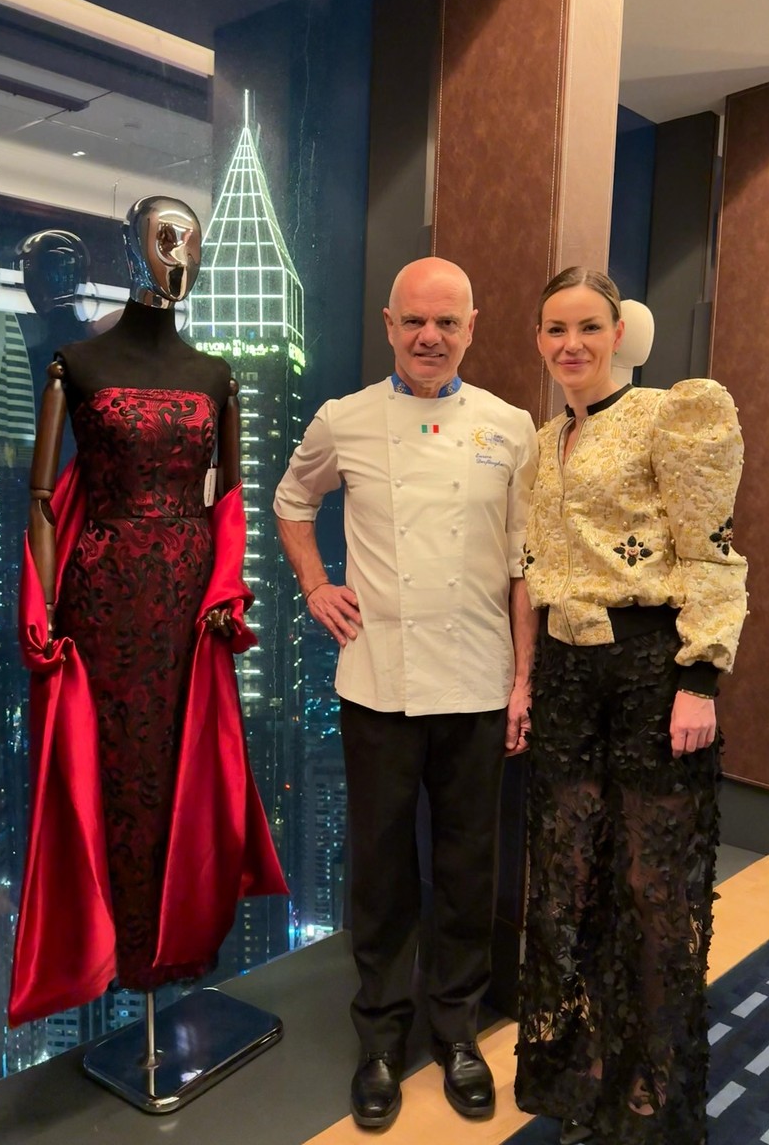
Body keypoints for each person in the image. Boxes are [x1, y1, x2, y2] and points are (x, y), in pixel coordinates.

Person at [274, 256, 538, 1128]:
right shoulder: (344, 419)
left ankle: (457, 1030)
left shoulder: (509, 426)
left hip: (476, 682)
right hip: (377, 682)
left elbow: (523, 564)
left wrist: (522, 679)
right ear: (389, 325)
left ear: (471, 328)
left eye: (447, 322)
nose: (430, 337)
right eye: (415, 321)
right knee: (383, 872)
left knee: (468, 867)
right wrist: (316, 586)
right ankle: (382, 1039)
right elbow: (291, 500)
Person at [11, 196, 286, 1026]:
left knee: (183, 766)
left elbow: (230, 500)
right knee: (112, 769)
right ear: (133, 249)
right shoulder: (75, 363)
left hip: (188, 606)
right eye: (166, 239)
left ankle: (177, 943)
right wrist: (43, 609)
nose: (181, 255)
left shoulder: (215, 376)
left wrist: (225, 590)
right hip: (102, 598)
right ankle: (120, 951)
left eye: (192, 242)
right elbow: (42, 500)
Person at [514, 267, 747, 1145]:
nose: (570, 344)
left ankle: (652, 1096)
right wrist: (527, 681)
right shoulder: (545, 441)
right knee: (571, 878)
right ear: (539, 340)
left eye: (587, 327)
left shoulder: (669, 416)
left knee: (654, 888)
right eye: (555, 329)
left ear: (619, 334)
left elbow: (712, 553)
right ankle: (587, 1075)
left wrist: (701, 678)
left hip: (651, 669)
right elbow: (536, 572)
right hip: (568, 677)